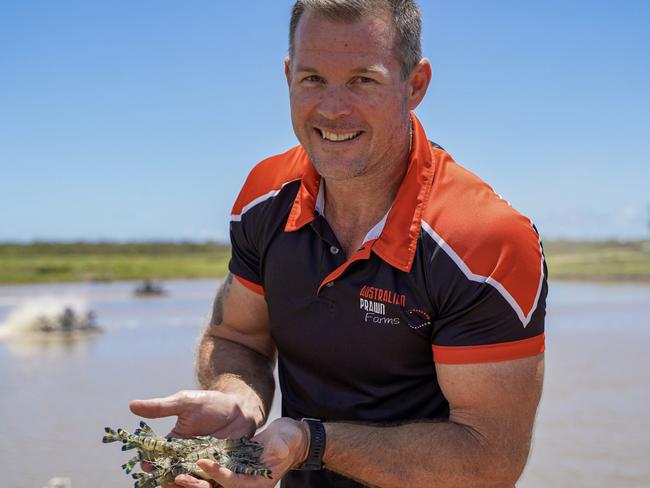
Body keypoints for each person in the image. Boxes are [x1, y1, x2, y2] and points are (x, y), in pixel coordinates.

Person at [130, 1, 548, 487]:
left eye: (362, 80)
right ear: (288, 76)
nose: (332, 109)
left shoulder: (485, 243)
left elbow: (489, 462)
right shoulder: (263, 198)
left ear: (415, 85)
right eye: (312, 79)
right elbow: (237, 337)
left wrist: (313, 443)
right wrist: (238, 397)